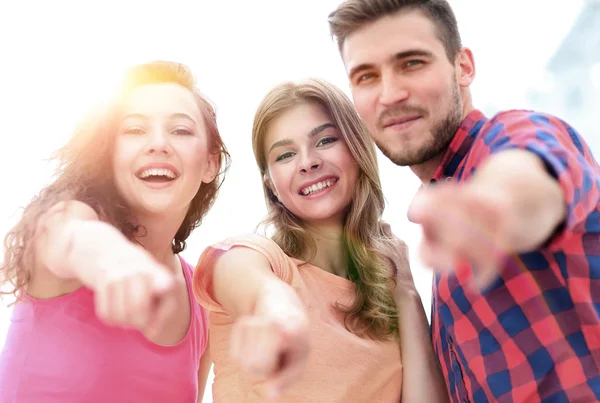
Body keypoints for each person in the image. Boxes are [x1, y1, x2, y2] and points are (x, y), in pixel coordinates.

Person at [328, 0, 600, 402]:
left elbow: (531, 177)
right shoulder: (443, 253)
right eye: (367, 76)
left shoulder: (511, 136)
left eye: (412, 63)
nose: (390, 93)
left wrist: (492, 207)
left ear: (463, 67)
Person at [192, 78, 448, 402]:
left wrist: (406, 290)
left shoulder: (387, 297)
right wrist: (275, 306)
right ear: (271, 184)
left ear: (357, 150)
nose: (307, 162)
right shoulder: (259, 259)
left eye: (325, 140)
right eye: (285, 155)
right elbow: (237, 274)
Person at [0, 60, 230, 403]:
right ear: (109, 154)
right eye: (135, 130)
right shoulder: (70, 221)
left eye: (180, 130)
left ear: (211, 163)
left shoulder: (201, 303)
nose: (158, 144)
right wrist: (112, 256)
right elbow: (69, 234)